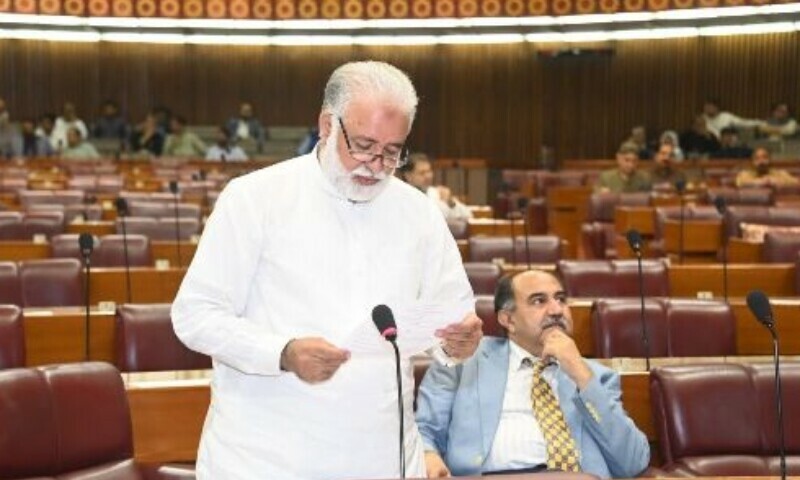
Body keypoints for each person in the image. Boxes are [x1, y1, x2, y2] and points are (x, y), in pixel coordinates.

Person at [171, 61, 483, 480]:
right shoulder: (254, 198)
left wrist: (457, 343)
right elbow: (195, 314)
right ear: (326, 124)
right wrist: (282, 352)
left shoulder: (420, 213)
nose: (375, 164)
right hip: (266, 457)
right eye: (363, 144)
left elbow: (451, 317)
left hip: (383, 455)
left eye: (392, 152)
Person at [417, 270, 650, 479]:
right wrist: (427, 455)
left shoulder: (594, 377)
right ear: (507, 320)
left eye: (560, 299)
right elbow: (425, 428)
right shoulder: (465, 359)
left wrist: (580, 373)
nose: (556, 310)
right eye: (539, 301)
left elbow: (633, 463)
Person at [400, 153, 472, 221]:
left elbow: (467, 215)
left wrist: (450, 202)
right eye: (422, 173)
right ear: (408, 176)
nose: (428, 176)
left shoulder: (436, 193)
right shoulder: (400, 197)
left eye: (429, 171)